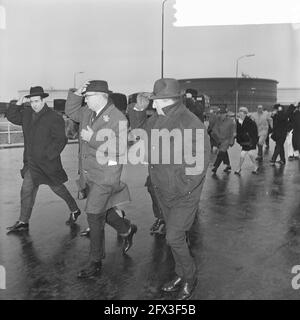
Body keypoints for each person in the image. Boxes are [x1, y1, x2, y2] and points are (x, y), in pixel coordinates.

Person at [128, 78, 210, 300]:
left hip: (184, 193)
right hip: (162, 189)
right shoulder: (157, 118)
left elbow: (199, 162)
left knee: (173, 237)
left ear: (168, 100)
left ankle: (190, 278)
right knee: (177, 237)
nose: (152, 105)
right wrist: (138, 109)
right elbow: (138, 133)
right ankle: (179, 273)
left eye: (155, 101)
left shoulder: (189, 121)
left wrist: (182, 187)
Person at [65, 80, 137, 278]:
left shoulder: (118, 118)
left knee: (94, 214)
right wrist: (77, 93)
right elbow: (71, 111)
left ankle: (95, 262)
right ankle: (127, 229)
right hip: (89, 172)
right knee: (103, 211)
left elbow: (121, 149)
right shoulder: (87, 112)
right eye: (85, 96)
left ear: (101, 96)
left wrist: (93, 138)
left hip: (106, 175)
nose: (85, 100)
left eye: (88, 96)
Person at [6, 86, 81, 233]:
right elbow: (12, 116)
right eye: (32, 101)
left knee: (58, 188)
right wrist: (18, 103)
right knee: (26, 190)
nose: (34, 104)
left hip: (47, 163)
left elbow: (61, 140)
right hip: (31, 164)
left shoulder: (54, 117)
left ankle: (74, 209)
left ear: (43, 100)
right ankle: (23, 222)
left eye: (37, 101)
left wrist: (48, 155)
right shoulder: (26, 113)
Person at [210, 105, 235, 174]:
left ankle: (215, 167)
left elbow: (233, 132)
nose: (220, 115)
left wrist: (231, 141)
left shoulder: (230, 122)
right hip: (219, 140)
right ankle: (228, 165)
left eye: (222, 113)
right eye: (219, 113)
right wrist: (214, 136)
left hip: (226, 140)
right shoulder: (218, 121)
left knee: (221, 152)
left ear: (225, 114)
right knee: (224, 153)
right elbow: (214, 129)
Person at [234, 107, 259, 175]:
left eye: (241, 112)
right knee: (250, 154)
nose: (240, 114)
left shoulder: (250, 122)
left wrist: (254, 141)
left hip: (250, 141)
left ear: (245, 113)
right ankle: (256, 166)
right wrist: (238, 139)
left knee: (243, 154)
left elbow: (255, 132)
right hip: (244, 141)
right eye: (239, 112)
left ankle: (238, 168)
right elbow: (238, 132)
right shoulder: (238, 121)